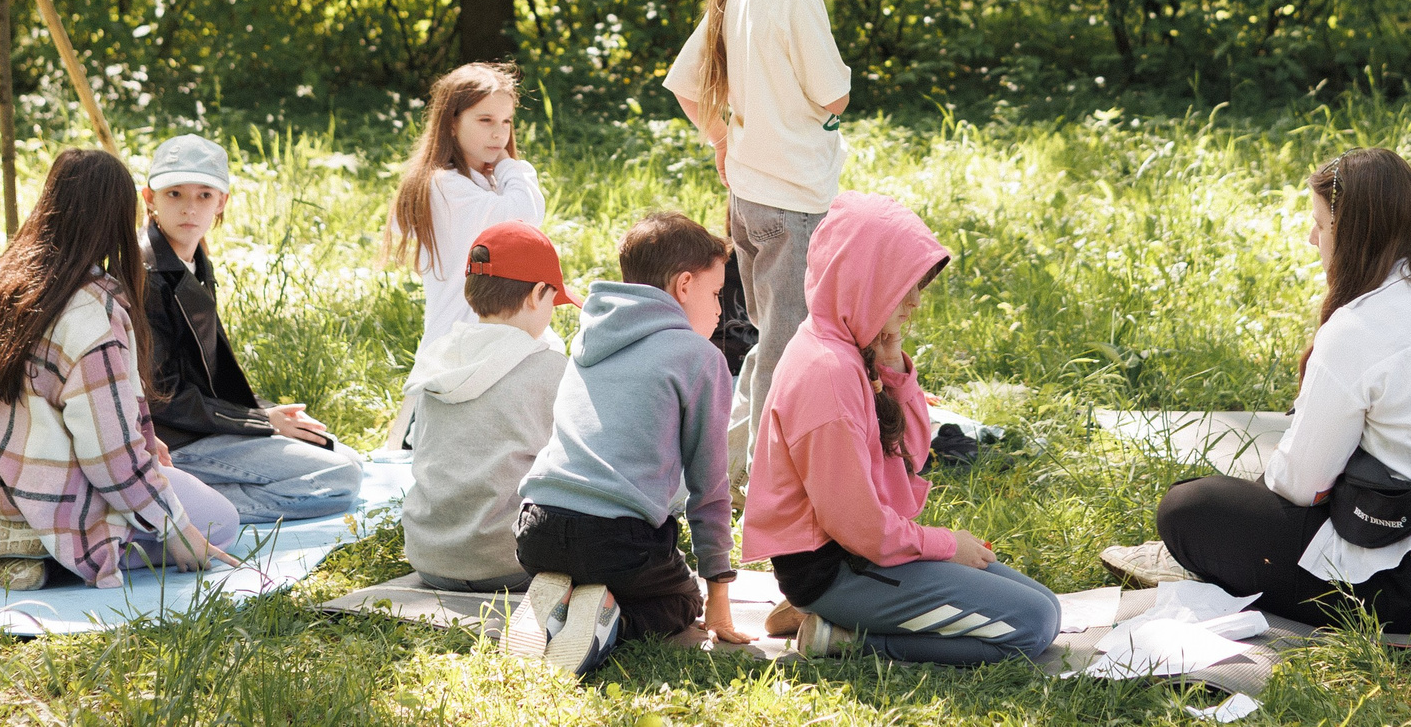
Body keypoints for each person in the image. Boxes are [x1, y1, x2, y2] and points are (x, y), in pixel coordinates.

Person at [1150, 146, 1411, 633]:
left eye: (1320, 224)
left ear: (1353, 235)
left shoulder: (1357, 331)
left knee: (1190, 509)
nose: (1311, 237)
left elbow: (1299, 486)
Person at [742, 190, 1061, 664]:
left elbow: (910, 460)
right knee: (1031, 627)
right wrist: (945, 544)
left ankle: (848, 616)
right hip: (840, 569)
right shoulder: (827, 375)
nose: (914, 302)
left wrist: (895, 372)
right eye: (903, 285)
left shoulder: (850, 344)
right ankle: (846, 635)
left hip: (863, 557)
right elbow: (860, 527)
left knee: (1049, 607)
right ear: (864, 281)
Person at [0, 146, 240, 589]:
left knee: (179, 497)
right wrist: (178, 531)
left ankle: (6, 542)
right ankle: (55, 553)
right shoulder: (93, 311)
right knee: (221, 521)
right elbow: (110, 456)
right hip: (57, 498)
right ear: (119, 217)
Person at [665, 0, 852, 478]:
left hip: (748, 197)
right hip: (794, 201)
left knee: (769, 336)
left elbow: (685, 85)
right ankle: (758, 477)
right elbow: (833, 96)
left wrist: (719, 138)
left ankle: (740, 464)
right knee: (788, 346)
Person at [506, 211, 745, 674]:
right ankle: (601, 620)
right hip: (616, 540)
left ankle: (554, 606)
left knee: (597, 563)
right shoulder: (699, 358)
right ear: (683, 285)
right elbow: (709, 485)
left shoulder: (589, 337)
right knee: (680, 600)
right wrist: (716, 595)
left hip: (536, 530)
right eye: (716, 294)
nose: (720, 310)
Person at [140, 134, 367, 521]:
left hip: (204, 425)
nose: (189, 208)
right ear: (150, 198)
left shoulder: (193, 260)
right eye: (174, 194)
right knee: (340, 476)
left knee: (341, 455)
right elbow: (161, 396)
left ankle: (198, 495)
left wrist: (272, 415)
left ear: (222, 201)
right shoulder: (147, 272)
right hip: (171, 440)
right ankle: (183, 510)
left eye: (204, 195)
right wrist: (262, 423)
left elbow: (209, 375)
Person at [401, 220, 577, 592]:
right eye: (552, 299)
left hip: (429, 557)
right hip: (508, 563)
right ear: (536, 295)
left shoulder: (437, 358)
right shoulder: (550, 369)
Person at [388, 62, 546, 354]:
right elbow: (525, 214)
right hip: (456, 345)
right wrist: (509, 164)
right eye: (485, 120)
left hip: (488, 339)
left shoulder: (485, 181)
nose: (500, 134)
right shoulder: (444, 186)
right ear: (451, 122)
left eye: (507, 121)